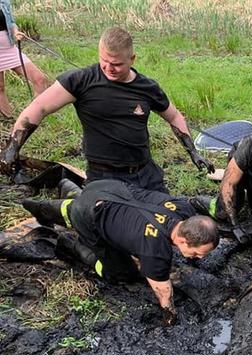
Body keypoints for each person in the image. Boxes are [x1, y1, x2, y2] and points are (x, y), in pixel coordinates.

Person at [0, 26, 213, 191]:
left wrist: (193, 153)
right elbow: (38, 108)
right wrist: (11, 150)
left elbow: (174, 116)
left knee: (168, 220)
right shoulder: (81, 81)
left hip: (145, 172)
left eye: (117, 64)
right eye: (104, 61)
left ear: (132, 59)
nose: (109, 68)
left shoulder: (148, 87)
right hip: (103, 175)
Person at [21, 179, 219, 325]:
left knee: (87, 205)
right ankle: (71, 244)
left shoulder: (183, 209)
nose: (200, 258)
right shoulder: (155, 250)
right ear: (183, 239)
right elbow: (163, 291)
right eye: (197, 253)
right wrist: (170, 316)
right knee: (121, 273)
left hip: (107, 187)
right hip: (89, 213)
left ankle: (58, 197)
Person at [0, 0, 49, 117]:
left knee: (40, 79)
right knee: (0, 87)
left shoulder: (4, 2)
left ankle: (30, 117)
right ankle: (8, 119)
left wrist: (16, 32)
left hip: (8, 48)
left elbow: (11, 23)